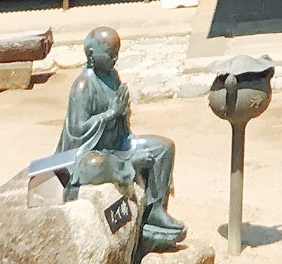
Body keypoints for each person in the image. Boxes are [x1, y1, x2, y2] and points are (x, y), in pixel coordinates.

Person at [55, 24, 186, 252]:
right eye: (110, 52)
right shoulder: (83, 86)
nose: (115, 57)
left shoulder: (112, 76)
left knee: (164, 147)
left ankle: (155, 212)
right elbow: (77, 130)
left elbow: (122, 119)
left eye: (117, 51)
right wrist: (111, 114)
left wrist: (123, 112)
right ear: (92, 55)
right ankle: (129, 165)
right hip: (87, 152)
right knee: (96, 165)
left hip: (119, 143)